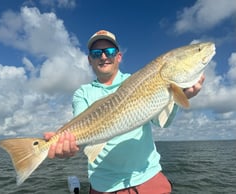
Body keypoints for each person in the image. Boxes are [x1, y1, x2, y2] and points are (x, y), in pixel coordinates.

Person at [44, 30, 205, 194]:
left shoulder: (136, 79)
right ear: (89, 59)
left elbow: (162, 122)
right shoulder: (82, 93)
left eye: (110, 51)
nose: (104, 56)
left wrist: (178, 97)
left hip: (149, 178)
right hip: (105, 186)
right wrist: (64, 144)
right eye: (96, 53)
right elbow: (80, 127)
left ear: (119, 56)